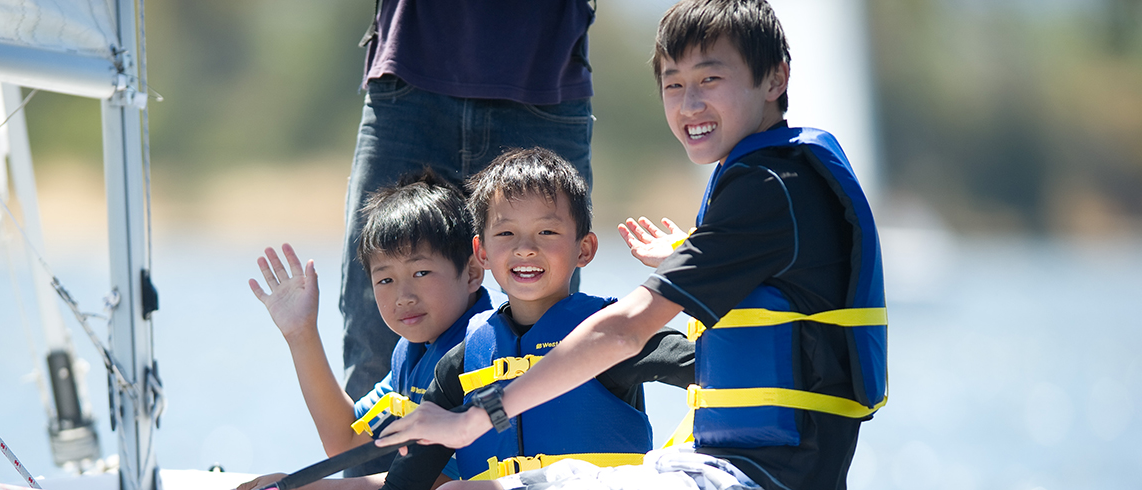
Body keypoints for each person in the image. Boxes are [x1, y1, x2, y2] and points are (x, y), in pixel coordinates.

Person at [376, 2, 889, 490]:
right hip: (736, 464)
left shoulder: (770, 187)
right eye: (674, 84)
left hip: (761, 476)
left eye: (710, 79)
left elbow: (623, 332)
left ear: (775, 78)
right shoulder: (767, 180)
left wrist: (476, 420)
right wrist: (688, 253)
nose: (690, 104)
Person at [339, 6, 598, 477]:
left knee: (550, 336)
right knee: (376, 339)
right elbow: (344, 438)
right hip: (408, 69)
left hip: (544, 72)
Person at [377, 148, 695, 490]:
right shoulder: (460, 365)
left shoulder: (613, 336)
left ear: (584, 249)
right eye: (505, 234)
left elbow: (715, 366)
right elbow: (405, 483)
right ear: (482, 252)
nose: (525, 248)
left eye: (547, 233)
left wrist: (694, 270)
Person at [241, 171, 496, 490]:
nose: (404, 297)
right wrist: (301, 333)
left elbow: (435, 482)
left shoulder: (490, 347)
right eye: (385, 280)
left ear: (472, 272)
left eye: (421, 272)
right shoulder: (412, 355)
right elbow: (346, 439)